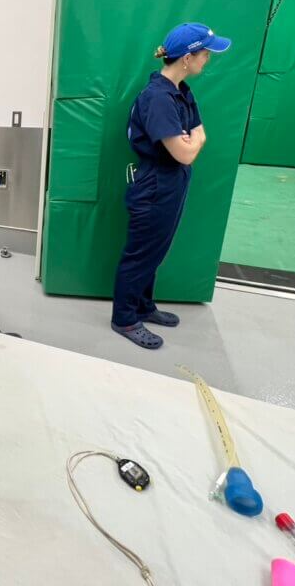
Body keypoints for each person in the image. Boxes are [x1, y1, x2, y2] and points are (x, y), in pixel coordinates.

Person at [111, 23, 231, 349]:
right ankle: (124, 317)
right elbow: (186, 151)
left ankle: (143, 305)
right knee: (141, 255)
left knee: (156, 252)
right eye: (205, 54)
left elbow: (198, 134)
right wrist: (193, 142)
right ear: (187, 58)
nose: (208, 59)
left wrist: (194, 141)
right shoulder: (158, 99)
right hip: (156, 184)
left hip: (172, 182)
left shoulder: (180, 92)